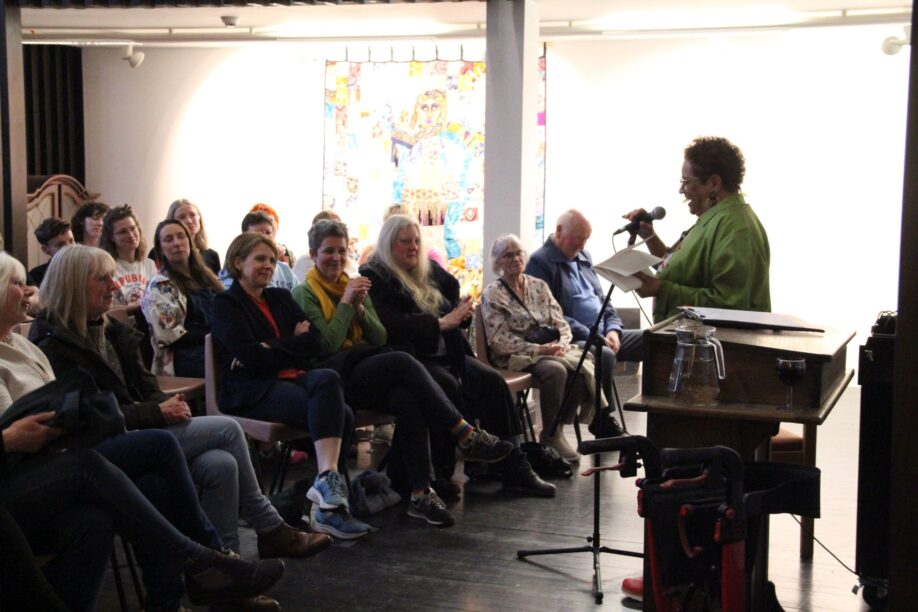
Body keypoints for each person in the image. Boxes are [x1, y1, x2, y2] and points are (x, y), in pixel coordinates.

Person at [0, 251, 286, 611]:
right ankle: (216, 559)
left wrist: (158, 408)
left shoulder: (28, 344)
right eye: (16, 283)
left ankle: (192, 591)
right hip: (42, 463)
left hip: (70, 448)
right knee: (211, 433)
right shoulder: (51, 340)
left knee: (203, 469)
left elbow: (119, 392)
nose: (28, 290)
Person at [28, 245, 330, 561]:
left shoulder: (111, 330)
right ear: (74, 284)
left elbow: (146, 386)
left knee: (221, 464)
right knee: (227, 429)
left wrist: (165, 405)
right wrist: (155, 411)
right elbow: (86, 416)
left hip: (135, 426)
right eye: (103, 279)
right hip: (104, 441)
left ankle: (228, 566)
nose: (115, 286)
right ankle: (269, 529)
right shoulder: (54, 343)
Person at [292, 220, 514, 525]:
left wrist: (359, 310)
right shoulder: (304, 293)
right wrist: (346, 304)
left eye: (341, 251)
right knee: (403, 361)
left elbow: (379, 336)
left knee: (409, 399)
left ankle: (420, 492)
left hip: (367, 365)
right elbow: (327, 345)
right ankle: (463, 432)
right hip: (335, 376)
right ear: (313, 254)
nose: (336, 258)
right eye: (328, 251)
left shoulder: (356, 284)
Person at [361, 215, 555, 497]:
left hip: (447, 352)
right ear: (388, 245)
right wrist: (441, 322)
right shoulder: (374, 276)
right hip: (411, 357)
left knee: (492, 382)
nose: (413, 247)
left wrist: (459, 311)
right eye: (405, 242)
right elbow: (391, 324)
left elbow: (450, 296)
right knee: (447, 385)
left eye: (416, 241)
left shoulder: (424, 271)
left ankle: (515, 466)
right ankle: (442, 473)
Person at [212, 232, 373, 539]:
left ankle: (322, 488)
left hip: (291, 378)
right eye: (260, 259)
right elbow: (251, 358)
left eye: (272, 260)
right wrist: (289, 343)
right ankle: (325, 506)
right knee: (344, 417)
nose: (268, 266)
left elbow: (313, 343)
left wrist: (269, 347)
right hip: (253, 390)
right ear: (238, 262)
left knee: (328, 379)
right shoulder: (225, 304)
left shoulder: (280, 297)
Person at [481, 234, 605, 463]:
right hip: (515, 355)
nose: (516, 258)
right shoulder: (493, 293)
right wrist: (540, 350)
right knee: (556, 370)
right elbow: (499, 341)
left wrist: (562, 343)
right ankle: (550, 435)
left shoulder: (538, 286)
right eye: (508, 255)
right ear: (497, 263)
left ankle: (554, 430)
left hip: (549, 348)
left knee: (580, 366)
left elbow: (561, 322)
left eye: (519, 252)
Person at [526, 209, 642, 437]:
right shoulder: (540, 262)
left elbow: (604, 302)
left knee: (652, 341)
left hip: (604, 333)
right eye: (578, 237)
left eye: (586, 239)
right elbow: (549, 316)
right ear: (559, 231)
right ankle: (602, 420)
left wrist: (614, 330)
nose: (581, 244)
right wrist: (594, 336)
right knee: (604, 355)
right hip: (574, 339)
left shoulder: (584, 257)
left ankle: (668, 412)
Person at [629, 136, 771, 322]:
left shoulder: (736, 229)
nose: (681, 190)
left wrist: (662, 290)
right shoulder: (716, 220)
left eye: (686, 181)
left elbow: (730, 304)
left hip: (718, 348)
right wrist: (649, 236)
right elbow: (676, 268)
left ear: (714, 183)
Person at [142, 219, 223, 377]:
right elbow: (173, 336)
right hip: (182, 356)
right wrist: (218, 333)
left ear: (190, 241)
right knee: (233, 364)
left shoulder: (208, 278)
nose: (177, 243)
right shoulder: (160, 285)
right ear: (160, 249)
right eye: (168, 239)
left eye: (181, 236)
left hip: (215, 344)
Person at [219, 212, 297, 291]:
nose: (265, 237)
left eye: (268, 233)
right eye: (257, 234)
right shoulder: (233, 272)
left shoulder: (284, 269)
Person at [99, 204, 158, 308]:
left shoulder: (150, 264)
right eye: (123, 232)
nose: (130, 235)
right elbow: (107, 308)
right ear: (111, 237)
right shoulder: (106, 269)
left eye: (133, 228)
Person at [164, 198, 222, 274]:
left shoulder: (211, 255)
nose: (189, 221)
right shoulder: (162, 253)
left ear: (199, 218)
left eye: (192, 215)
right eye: (181, 217)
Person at [28, 217, 74, 287]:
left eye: (71, 241)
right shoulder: (37, 276)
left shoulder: (88, 269)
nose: (70, 247)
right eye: (61, 244)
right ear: (45, 250)